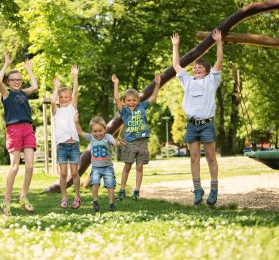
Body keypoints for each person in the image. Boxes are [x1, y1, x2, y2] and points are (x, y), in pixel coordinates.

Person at [171, 29, 223, 206]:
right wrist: (175, 46)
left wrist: (218, 42)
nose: (196, 68)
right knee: (194, 158)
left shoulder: (211, 81)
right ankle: (198, 189)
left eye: (200, 67)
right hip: (192, 125)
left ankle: (214, 189)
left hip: (207, 124)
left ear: (207, 72)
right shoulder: (188, 82)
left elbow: (219, 61)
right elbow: (177, 66)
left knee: (210, 157)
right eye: (194, 67)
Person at [0, 53, 38, 214]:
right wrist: (6, 64)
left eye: (19, 80)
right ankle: (6, 201)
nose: (17, 82)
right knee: (14, 167)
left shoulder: (23, 93)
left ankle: (23, 197)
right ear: (9, 82)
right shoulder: (7, 94)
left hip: (28, 129)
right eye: (14, 80)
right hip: (13, 130)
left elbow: (34, 87)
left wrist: (29, 70)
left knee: (29, 166)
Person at [112, 73, 161, 201]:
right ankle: (122, 190)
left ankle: (137, 191)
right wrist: (116, 84)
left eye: (134, 100)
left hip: (142, 142)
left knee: (139, 167)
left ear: (138, 100)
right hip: (130, 142)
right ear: (125, 102)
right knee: (127, 166)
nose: (132, 102)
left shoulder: (142, 106)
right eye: (129, 100)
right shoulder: (124, 111)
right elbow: (116, 98)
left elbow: (154, 96)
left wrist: (157, 83)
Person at [74, 113, 123, 212]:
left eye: (100, 130)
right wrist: (76, 121)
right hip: (96, 168)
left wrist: (119, 143)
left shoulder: (108, 137)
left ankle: (111, 203)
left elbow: (114, 142)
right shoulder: (91, 137)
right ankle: (95, 201)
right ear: (92, 131)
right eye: (95, 131)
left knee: (110, 185)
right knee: (95, 184)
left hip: (107, 167)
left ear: (105, 129)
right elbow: (80, 132)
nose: (98, 133)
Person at [51, 65, 81, 209]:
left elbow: (75, 91)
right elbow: (52, 101)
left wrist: (75, 75)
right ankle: (64, 199)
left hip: (74, 144)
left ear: (69, 98)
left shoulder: (72, 108)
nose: (63, 99)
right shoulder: (56, 111)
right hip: (62, 146)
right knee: (63, 173)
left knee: (74, 172)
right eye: (61, 97)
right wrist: (56, 88)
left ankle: (77, 197)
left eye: (66, 97)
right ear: (58, 99)